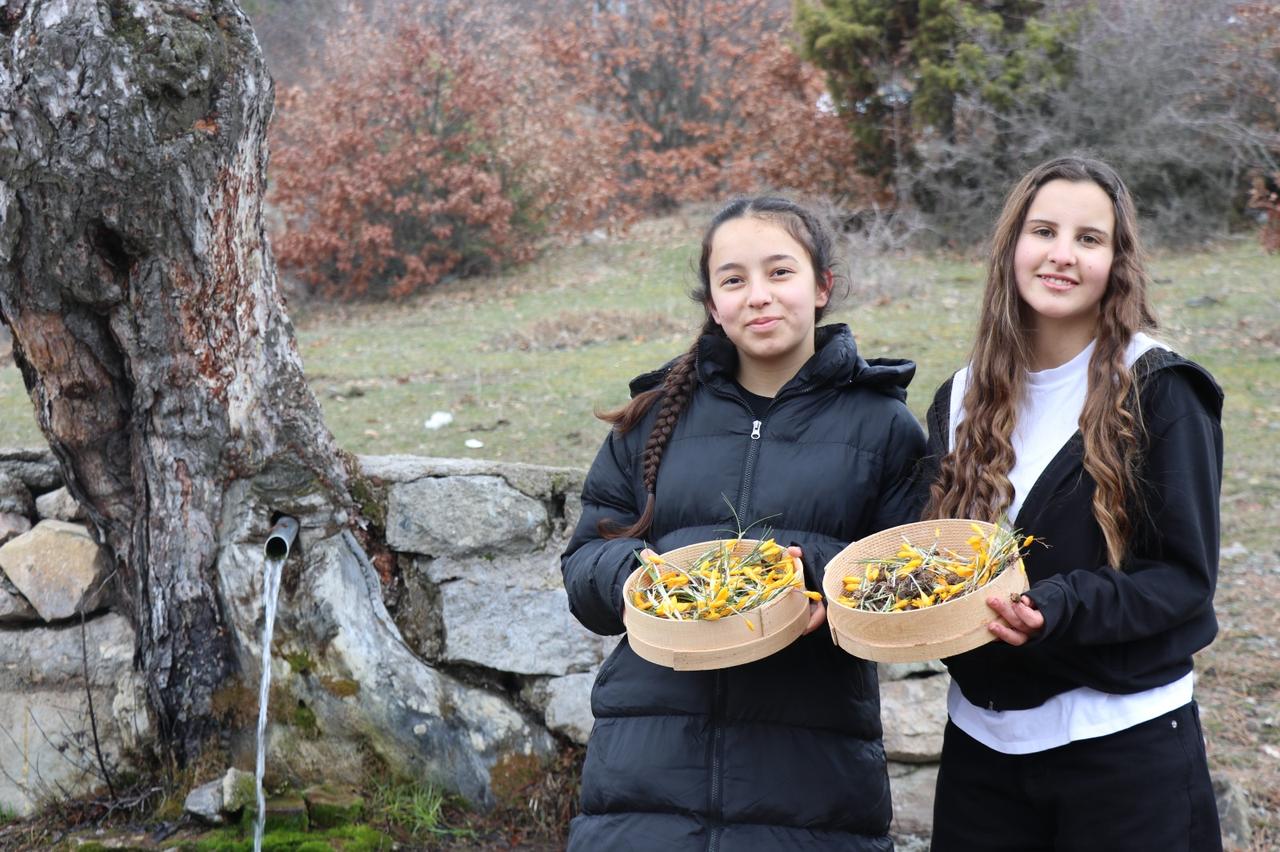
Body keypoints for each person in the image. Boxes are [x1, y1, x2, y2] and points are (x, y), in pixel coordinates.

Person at [561, 196, 925, 850]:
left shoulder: (885, 428)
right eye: (734, 280)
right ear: (712, 303)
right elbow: (586, 565)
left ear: (822, 287)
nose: (758, 296)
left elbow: (907, 587)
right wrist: (650, 581)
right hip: (646, 773)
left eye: (780, 273)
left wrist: (808, 576)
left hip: (811, 783)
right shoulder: (650, 419)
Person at [918, 156, 1224, 850]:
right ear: (1011, 248)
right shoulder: (961, 396)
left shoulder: (1160, 391)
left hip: (1123, 752)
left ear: (1117, 261)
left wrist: (1056, 607)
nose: (1062, 255)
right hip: (980, 754)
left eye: (1089, 238)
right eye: (1043, 231)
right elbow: (937, 556)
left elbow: (1182, 582)